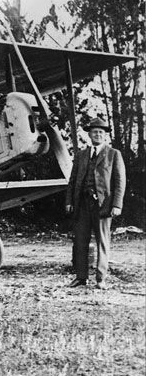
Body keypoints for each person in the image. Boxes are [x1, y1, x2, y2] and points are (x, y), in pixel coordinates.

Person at [66, 117, 126, 289]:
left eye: (101, 132)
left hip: (103, 206)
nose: (98, 134)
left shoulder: (114, 154)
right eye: (94, 132)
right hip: (82, 204)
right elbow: (73, 180)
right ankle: (81, 277)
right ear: (89, 134)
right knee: (80, 241)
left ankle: (101, 279)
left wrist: (117, 205)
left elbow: (120, 181)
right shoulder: (81, 155)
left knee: (102, 242)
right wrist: (69, 201)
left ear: (105, 135)